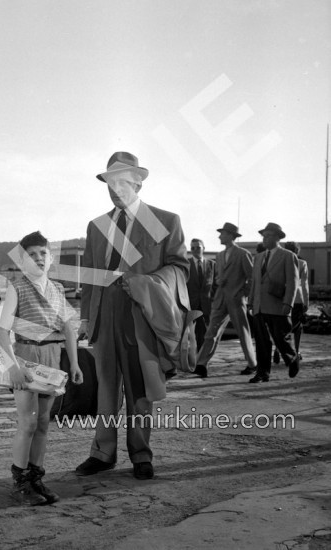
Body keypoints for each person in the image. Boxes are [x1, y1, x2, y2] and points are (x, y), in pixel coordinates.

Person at [75, 151, 190, 481]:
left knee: (140, 389)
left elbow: (181, 267)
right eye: (110, 182)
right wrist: (86, 318)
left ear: (138, 183)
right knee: (105, 389)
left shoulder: (164, 221)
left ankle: (140, 453)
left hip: (144, 316)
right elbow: (91, 277)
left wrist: (147, 283)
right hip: (105, 317)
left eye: (123, 181)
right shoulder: (97, 226)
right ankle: (103, 452)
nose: (115, 188)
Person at [0, 231, 83, 505]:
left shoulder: (57, 289)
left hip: (51, 356)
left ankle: (36, 478)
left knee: (44, 421)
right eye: (31, 255)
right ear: (23, 261)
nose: (38, 258)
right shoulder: (17, 287)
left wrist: (75, 363)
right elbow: (2, 333)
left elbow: (69, 328)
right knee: (28, 421)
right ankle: (20, 481)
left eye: (42, 253)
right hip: (25, 355)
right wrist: (13, 367)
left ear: (51, 258)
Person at [194, 223, 256, 378]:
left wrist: (242, 294)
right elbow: (218, 277)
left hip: (236, 300)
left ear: (230, 235)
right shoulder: (220, 256)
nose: (219, 236)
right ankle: (201, 364)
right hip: (220, 300)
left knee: (243, 333)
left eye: (222, 234)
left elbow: (252, 278)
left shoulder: (243, 254)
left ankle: (252, 364)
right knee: (211, 332)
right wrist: (218, 281)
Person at [248, 223, 299, 383]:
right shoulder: (258, 257)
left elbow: (292, 282)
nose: (264, 238)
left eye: (268, 235)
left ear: (277, 237)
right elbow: (254, 282)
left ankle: (291, 358)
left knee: (279, 337)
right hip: (259, 305)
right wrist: (250, 302)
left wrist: (288, 303)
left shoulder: (288, 256)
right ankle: (263, 372)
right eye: (263, 236)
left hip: (278, 304)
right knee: (262, 341)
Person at [186, 238, 216, 351]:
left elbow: (216, 285)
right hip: (190, 303)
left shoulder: (212, 264)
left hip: (206, 304)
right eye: (192, 248)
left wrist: (212, 300)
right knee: (185, 332)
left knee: (202, 331)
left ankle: (200, 356)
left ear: (203, 248)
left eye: (198, 247)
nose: (195, 250)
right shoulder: (186, 264)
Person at [282, 242, 309, 359]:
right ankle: (296, 351)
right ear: (297, 251)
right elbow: (305, 285)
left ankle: (278, 350)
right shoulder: (302, 263)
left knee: (281, 326)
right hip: (297, 298)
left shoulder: (281, 262)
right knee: (297, 327)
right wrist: (306, 302)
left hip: (282, 298)